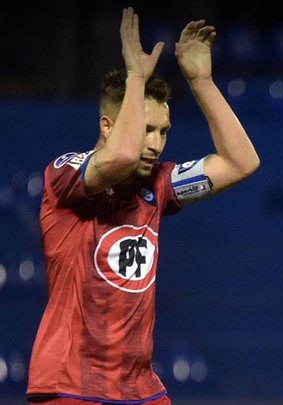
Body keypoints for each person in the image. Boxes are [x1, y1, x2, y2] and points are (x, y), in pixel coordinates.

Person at [27, 7, 259, 405]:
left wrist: (201, 81)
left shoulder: (158, 185)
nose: (154, 143)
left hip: (140, 388)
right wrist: (136, 77)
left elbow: (242, 162)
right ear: (107, 126)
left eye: (163, 132)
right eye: (145, 129)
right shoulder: (64, 175)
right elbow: (117, 160)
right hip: (71, 383)